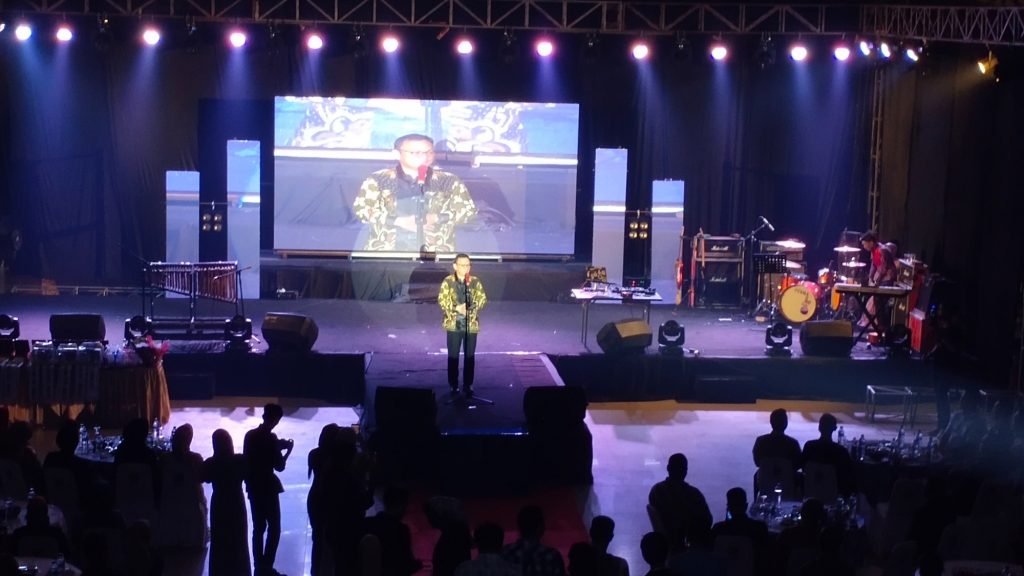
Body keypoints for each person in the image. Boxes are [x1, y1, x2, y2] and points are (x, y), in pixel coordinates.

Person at [353, 133, 477, 253]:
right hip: (386, 254)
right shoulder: (378, 179)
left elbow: (468, 212)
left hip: (435, 254)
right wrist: (398, 221)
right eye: (416, 153)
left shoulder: (448, 180)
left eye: (429, 152)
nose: (425, 157)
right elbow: (362, 210)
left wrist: (436, 218)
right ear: (397, 154)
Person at [244, 404, 294, 576]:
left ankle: (259, 566)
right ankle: (267, 566)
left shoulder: (250, 436)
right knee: (274, 528)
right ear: (276, 420)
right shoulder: (272, 438)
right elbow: (279, 466)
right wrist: (287, 451)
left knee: (258, 528)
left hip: (253, 486)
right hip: (268, 486)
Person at [438, 253, 488, 397]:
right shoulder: (448, 281)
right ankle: (453, 385)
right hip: (454, 324)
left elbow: (482, 299)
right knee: (453, 356)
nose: (465, 268)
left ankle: (468, 384)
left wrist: (469, 308)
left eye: (468, 265)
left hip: (470, 324)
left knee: (469, 356)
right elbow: (442, 300)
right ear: (455, 266)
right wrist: (456, 308)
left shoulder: (475, 281)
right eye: (462, 265)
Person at [204, 429, 251, 576]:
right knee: (238, 539)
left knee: (220, 541)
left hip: (219, 502)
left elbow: (203, 477)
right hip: (236, 501)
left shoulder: (211, 463)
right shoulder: (239, 460)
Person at [647, 453, 713, 553]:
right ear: (686, 471)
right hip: (687, 547)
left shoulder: (656, 490)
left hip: (664, 545)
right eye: (683, 468)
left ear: (668, 468)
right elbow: (707, 521)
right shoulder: (693, 494)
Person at [801, 414, 856, 496]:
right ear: (835, 428)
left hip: (809, 493)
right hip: (832, 495)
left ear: (819, 427)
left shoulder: (809, 446)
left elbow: (803, 467)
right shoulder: (841, 451)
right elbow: (848, 474)